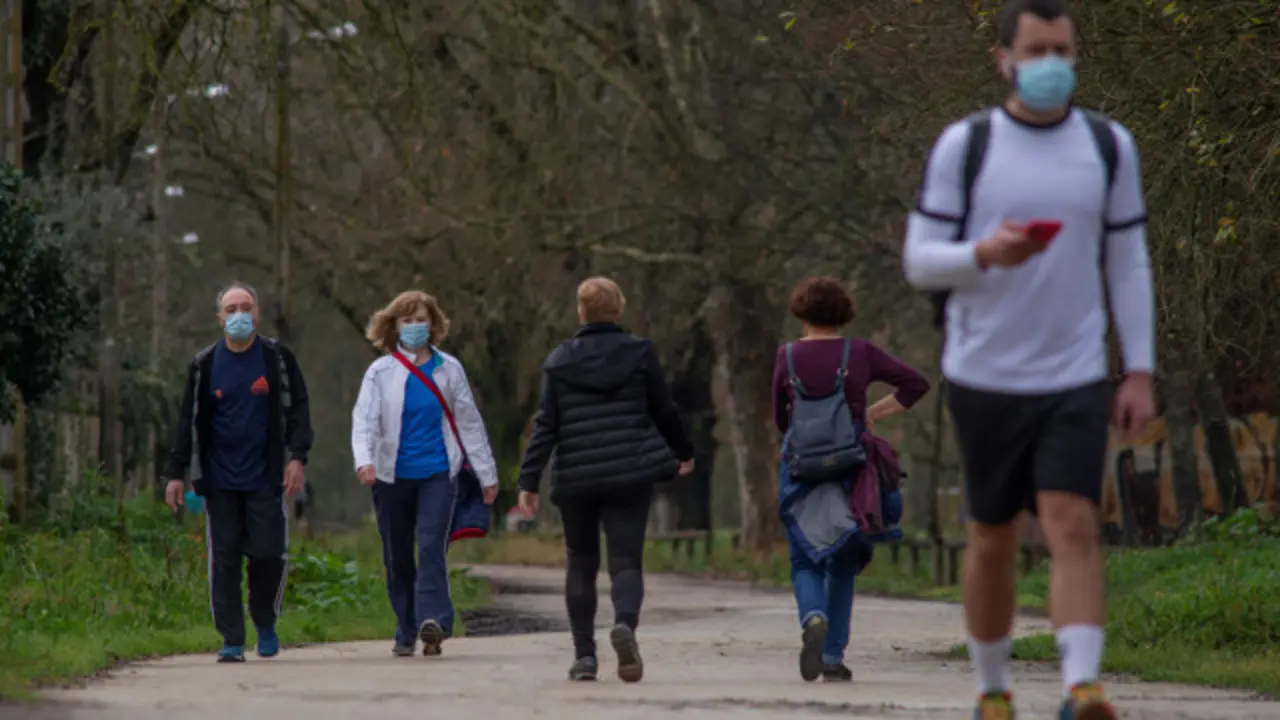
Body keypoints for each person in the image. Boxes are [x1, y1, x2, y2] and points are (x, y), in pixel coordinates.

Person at [902, 1, 1156, 717]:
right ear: (1004, 59)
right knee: (992, 536)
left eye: (1063, 52)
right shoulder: (967, 146)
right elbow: (920, 261)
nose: (1052, 66)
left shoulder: (1109, 146)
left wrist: (1139, 369)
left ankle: (1082, 686)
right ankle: (993, 689)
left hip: (1074, 370)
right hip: (984, 372)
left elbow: (1128, 261)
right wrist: (984, 252)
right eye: (1037, 50)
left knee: (1072, 518)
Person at [516, 277, 694, 684]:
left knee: (581, 562)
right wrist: (683, 451)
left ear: (581, 313)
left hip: (576, 475)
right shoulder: (639, 352)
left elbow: (546, 424)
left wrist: (528, 478)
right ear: (619, 311)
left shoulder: (559, 361)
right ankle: (625, 625)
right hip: (629, 472)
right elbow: (663, 408)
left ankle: (584, 658)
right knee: (626, 560)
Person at [772, 276, 929, 683]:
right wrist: (875, 413)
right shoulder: (859, 352)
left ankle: (812, 617)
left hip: (801, 469)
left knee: (804, 559)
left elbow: (779, 418)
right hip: (852, 469)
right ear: (843, 314)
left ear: (801, 312)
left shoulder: (786, 357)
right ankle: (831, 658)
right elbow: (916, 384)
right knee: (841, 561)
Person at [163, 283, 313, 663]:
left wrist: (298, 457)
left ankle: (264, 621)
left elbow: (298, 409)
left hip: (265, 477)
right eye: (231, 309)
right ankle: (231, 638)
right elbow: (187, 421)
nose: (239, 315)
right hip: (219, 479)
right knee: (225, 558)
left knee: (267, 554)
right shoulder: (204, 365)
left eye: (246, 307)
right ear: (219, 318)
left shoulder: (276, 358)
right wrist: (176, 473)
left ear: (257, 314)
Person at [350, 290, 499, 657]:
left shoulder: (449, 369)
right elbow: (364, 420)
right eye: (407, 320)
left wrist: (487, 474)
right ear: (393, 326)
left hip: (437, 474)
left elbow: (469, 423)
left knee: (431, 547)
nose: (415, 326)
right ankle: (405, 627)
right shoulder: (380, 372)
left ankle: (433, 621)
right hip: (391, 477)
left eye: (421, 319)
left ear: (433, 324)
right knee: (397, 554)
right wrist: (363, 460)